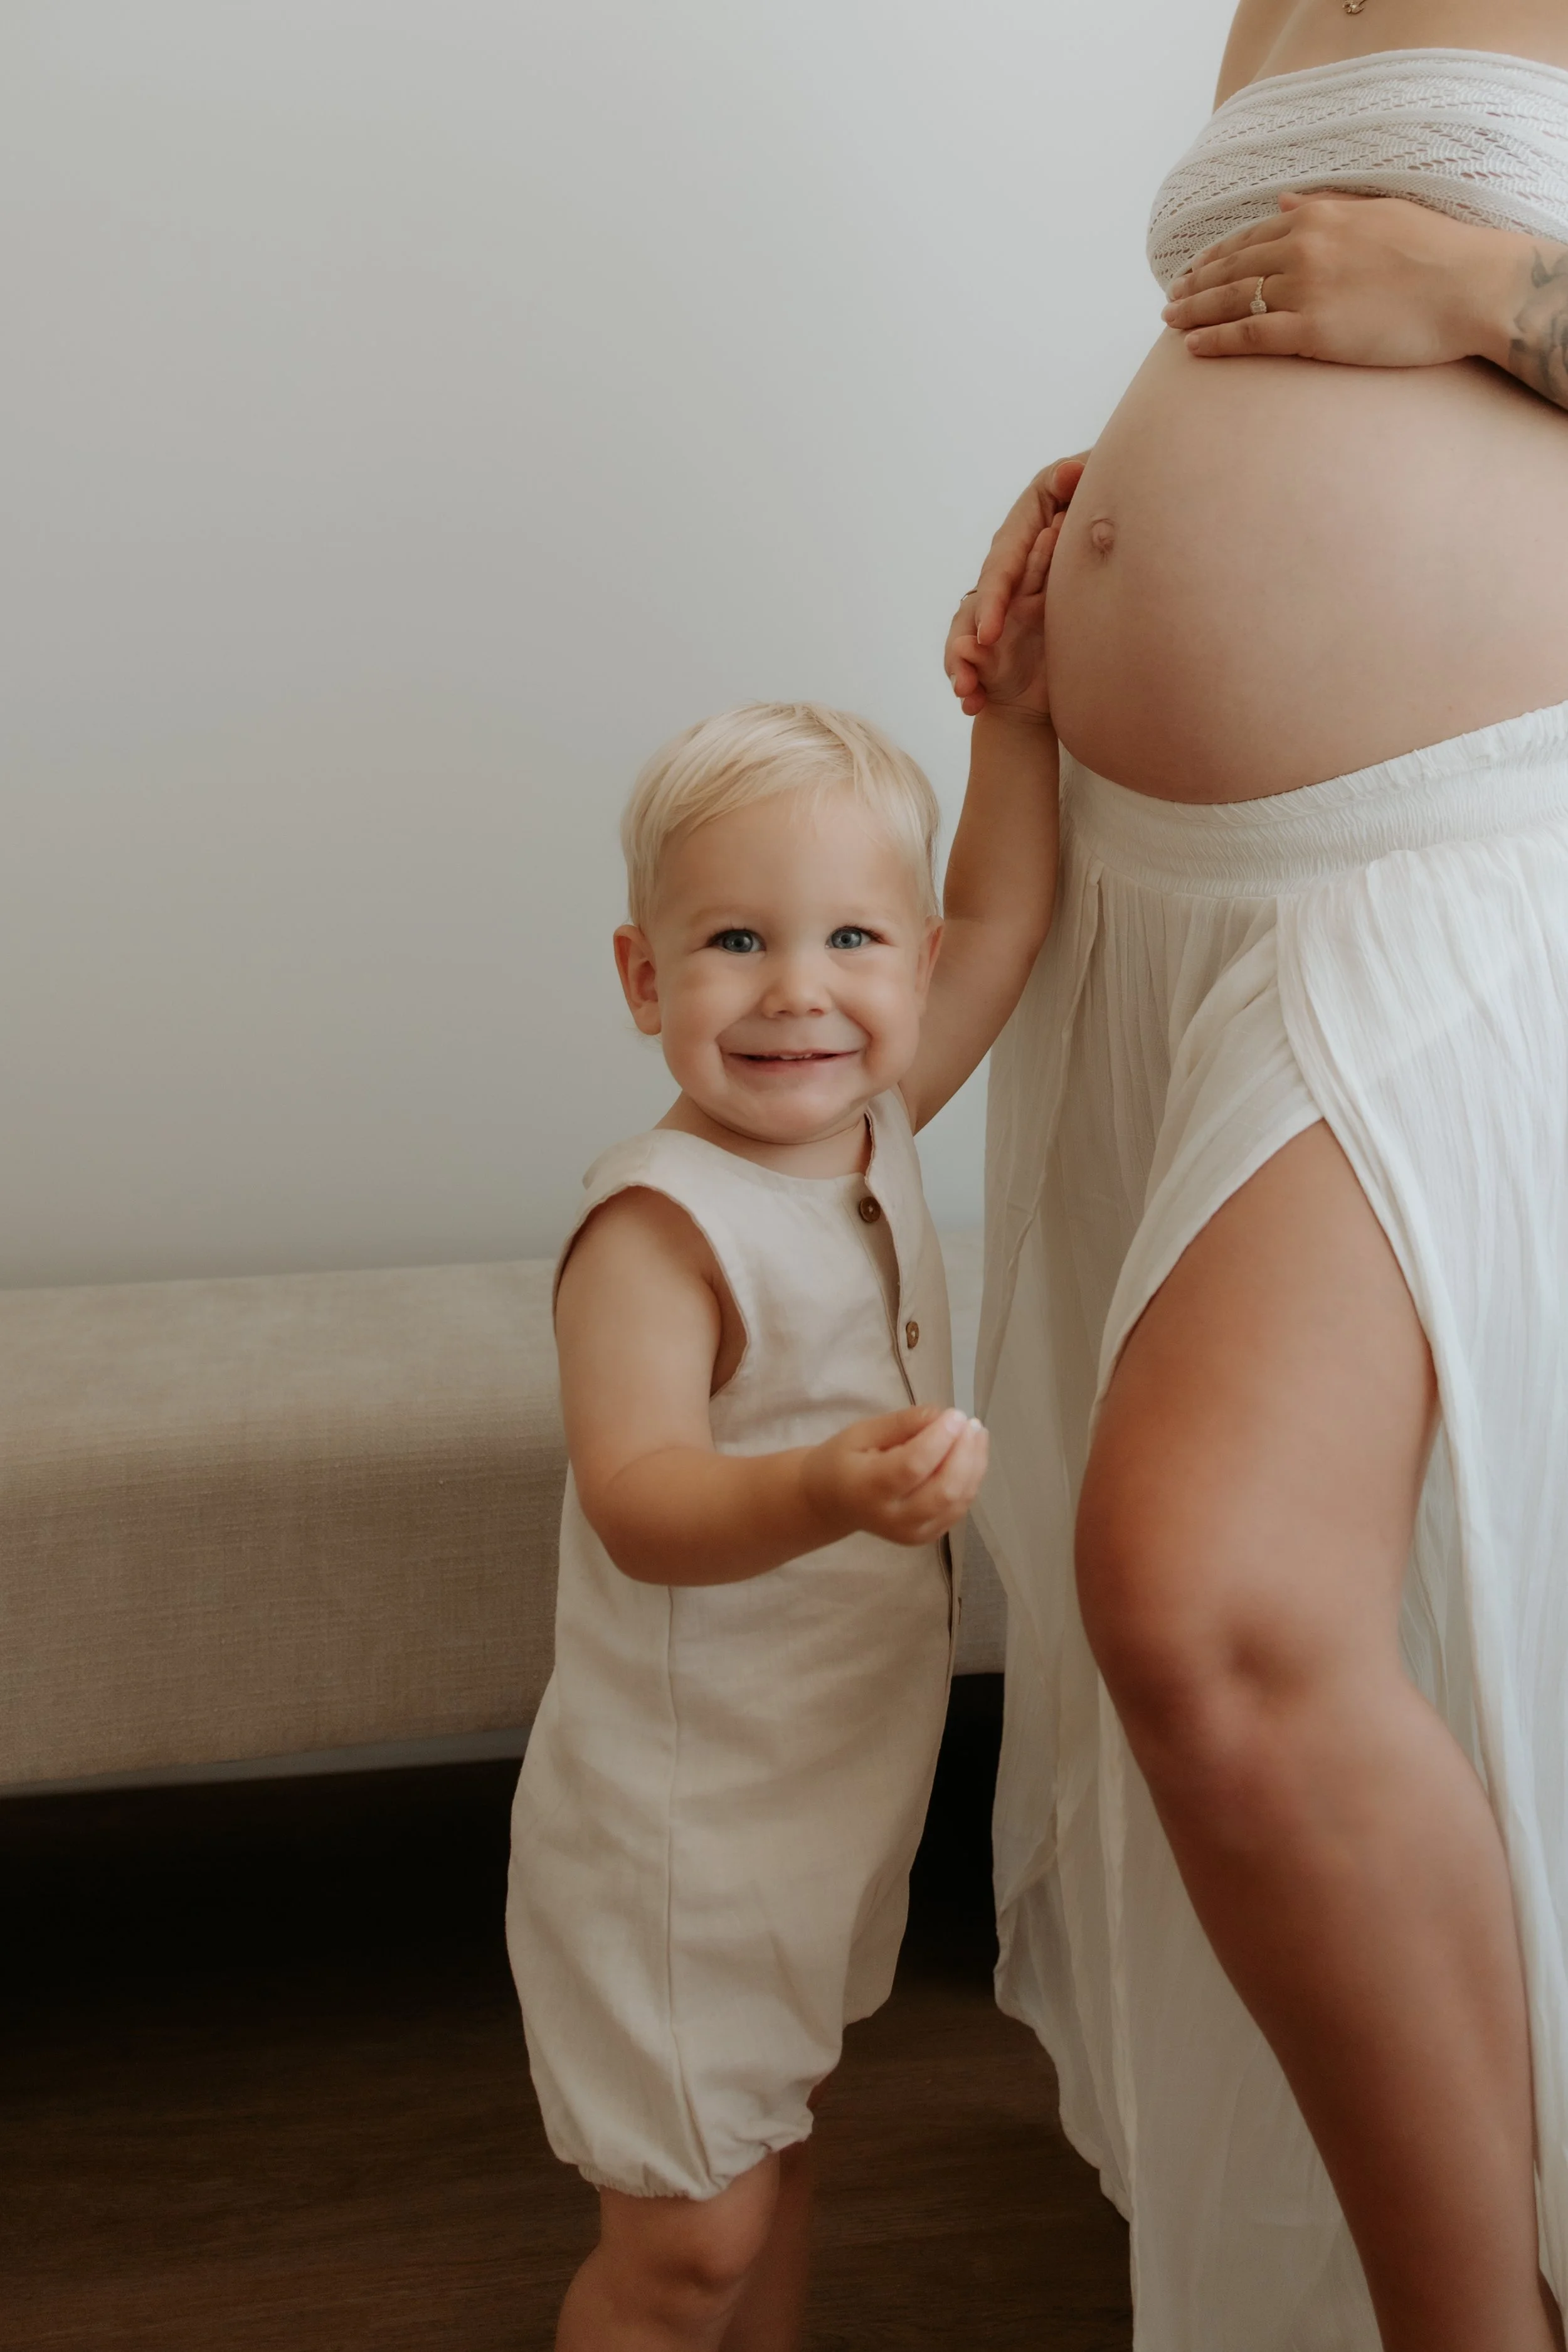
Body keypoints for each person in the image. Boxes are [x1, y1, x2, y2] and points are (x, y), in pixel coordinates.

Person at [942, 4, 1568, 2348]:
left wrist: (1495, 302)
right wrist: (1097, 532)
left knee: (1206, 1591)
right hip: (1166, 884)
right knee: (1316, 1617)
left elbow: (1425, 307)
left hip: (1464, 873)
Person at [509, 546, 1060, 2351]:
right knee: (686, 2240)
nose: (795, 992)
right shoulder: (661, 1229)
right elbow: (643, 1498)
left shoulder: (873, 1121)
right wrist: (830, 1484)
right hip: (681, 1823)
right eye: (733, 940)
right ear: (638, 971)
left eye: (849, 939)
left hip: (820, 1790)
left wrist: (1016, 717)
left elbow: (1002, 913)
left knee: (775, 2154)